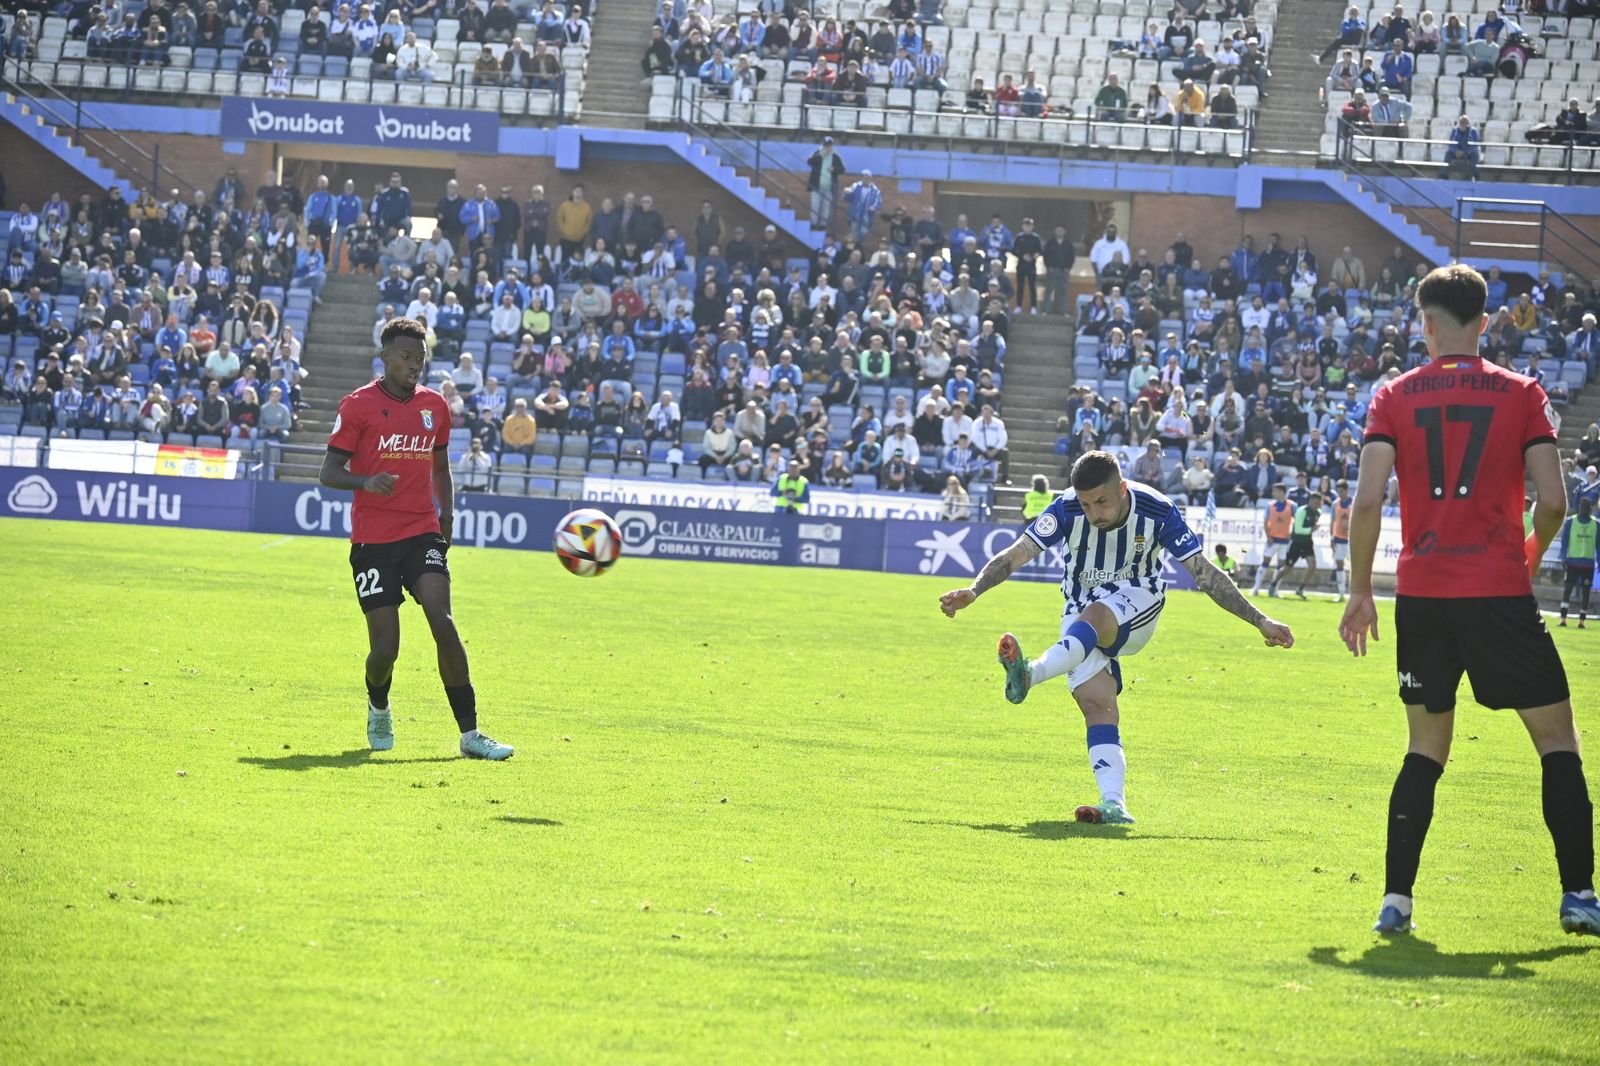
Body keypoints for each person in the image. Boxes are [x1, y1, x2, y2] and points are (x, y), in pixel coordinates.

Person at [1338, 264, 1597, 937]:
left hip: (1422, 595)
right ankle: (1578, 895)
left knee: (1425, 749)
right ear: (1486, 322)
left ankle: (1395, 902)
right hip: (1498, 593)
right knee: (1557, 740)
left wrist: (1360, 590)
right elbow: (1554, 502)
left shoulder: (1392, 395)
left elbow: (1366, 501)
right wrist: (1529, 553)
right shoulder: (1523, 393)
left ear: (1425, 324)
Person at [938, 450, 1294, 824]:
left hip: (1138, 599)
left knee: (1096, 615)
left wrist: (1260, 620)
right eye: (1086, 504)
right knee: (1096, 704)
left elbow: (1204, 573)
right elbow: (1017, 553)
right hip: (1079, 610)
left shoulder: (1157, 510)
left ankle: (1031, 673)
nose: (1094, 513)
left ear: (1122, 489)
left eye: (1102, 502)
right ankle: (1114, 804)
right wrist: (974, 590)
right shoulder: (1065, 508)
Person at [318, 317, 515, 762]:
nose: (413, 365)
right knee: (385, 650)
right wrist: (366, 482)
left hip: (422, 530)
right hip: (373, 540)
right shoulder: (357, 406)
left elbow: (440, 467)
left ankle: (471, 734)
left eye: (420, 358)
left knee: (443, 621)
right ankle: (378, 704)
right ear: (384, 357)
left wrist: (446, 514)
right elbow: (328, 472)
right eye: (405, 356)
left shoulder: (435, 406)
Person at [1274, 490, 1322, 598]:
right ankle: (1273, 584)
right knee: (1287, 568)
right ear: (1310, 501)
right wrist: (1311, 529)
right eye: (1315, 503)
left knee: (1312, 565)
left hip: (1307, 542)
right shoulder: (1302, 511)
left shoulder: (1318, 512)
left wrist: (1312, 529)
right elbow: (1298, 529)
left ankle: (1300, 588)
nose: (1317, 505)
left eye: (1319, 503)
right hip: (1297, 542)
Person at [1558, 497, 1598, 628]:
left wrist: (1599, 560)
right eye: (1582, 506)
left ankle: (1581, 621)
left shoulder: (1596, 524)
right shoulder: (1570, 521)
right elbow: (1564, 540)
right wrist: (1563, 557)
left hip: (1587, 564)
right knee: (1567, 590)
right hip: (1572, 562)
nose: (1584, 509)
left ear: (1591, 509)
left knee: (1586, 592)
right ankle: (1563, 619)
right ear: (1579, 507)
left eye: (1586, 507)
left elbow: (1599, 545)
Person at [1252, 482, 1295, 596]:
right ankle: (1256, 588)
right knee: (1265, 563)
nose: (1273, 493)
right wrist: (1268, 536)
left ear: (1282, 492)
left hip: (1285, 541)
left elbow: (1296, 521)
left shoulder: (1292, 505)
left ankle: (1274, 590)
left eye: (1275, 491)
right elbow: (1266, 522)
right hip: (1272, 540)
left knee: (1281, 566)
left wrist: (1291, 533)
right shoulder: (1270, 505)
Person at [1328, 477, 1354, 601]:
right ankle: (1341, 593)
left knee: (1353, 566)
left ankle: (1353, 593)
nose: (1340, 494)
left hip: (1351, 539)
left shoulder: (1353, 503)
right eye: (1338, 491)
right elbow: (1332, 521)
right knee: (1339, 565)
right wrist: (1331, 537)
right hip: (1338, 538)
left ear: (1347, 490)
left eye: (1342, 491)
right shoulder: (1335, 504)